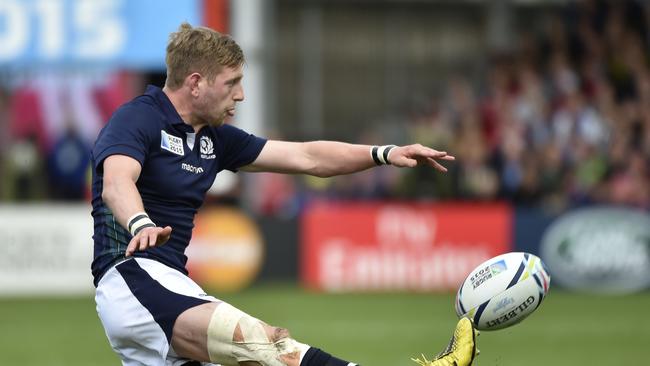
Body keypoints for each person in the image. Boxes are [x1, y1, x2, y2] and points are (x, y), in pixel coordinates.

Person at [91, 22, 479, 366]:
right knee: (267, 344)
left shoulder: (214, 139)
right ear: (195, 83)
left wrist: (385, 154)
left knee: (266, 354)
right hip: (131, 279)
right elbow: (117, 181)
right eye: (231, 83)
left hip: (170, 285)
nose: (240, 95)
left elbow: (307, 155)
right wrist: (139, 221)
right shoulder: (139, 117)